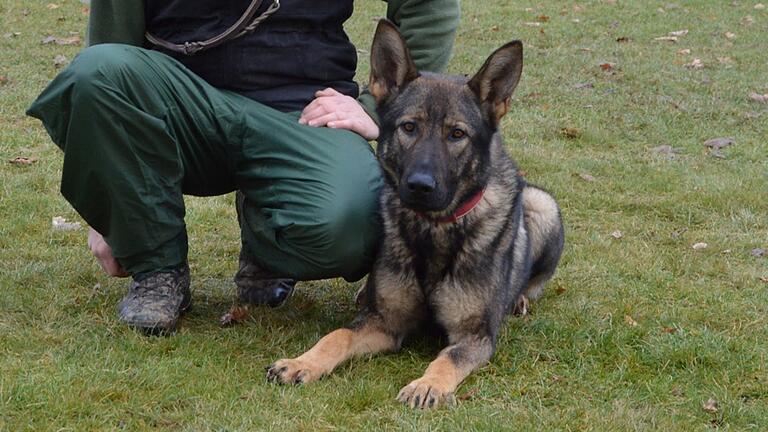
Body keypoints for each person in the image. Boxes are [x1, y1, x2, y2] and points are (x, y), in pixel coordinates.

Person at [27, 0, 460, 334]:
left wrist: (382, 108)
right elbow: (111, 47)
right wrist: (109, 198)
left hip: (305, 108)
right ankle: (158, 270)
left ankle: (267, 245)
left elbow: (427, 5)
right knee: (96, 72)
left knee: (354, 221)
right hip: (180, 103)